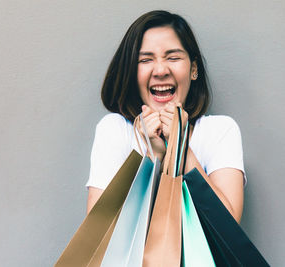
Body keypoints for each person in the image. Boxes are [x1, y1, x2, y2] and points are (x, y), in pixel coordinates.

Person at [86, 10, 245, 223]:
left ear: (193, 69)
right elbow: (99, 232)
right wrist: (154, 158)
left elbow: (229, 226)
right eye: (146, 60)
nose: (160, 70)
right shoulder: (114, 130)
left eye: (173, 57)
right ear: (132, 73)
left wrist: (179, 150)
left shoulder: (220, 130)